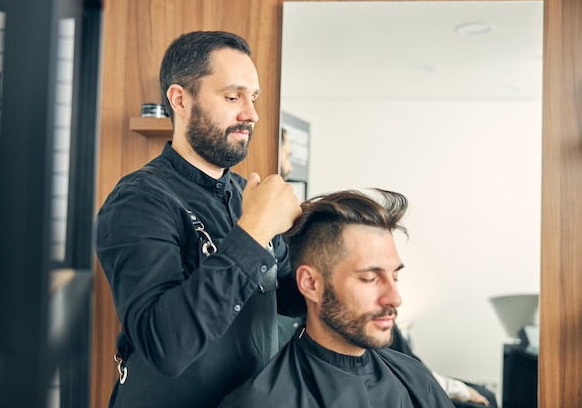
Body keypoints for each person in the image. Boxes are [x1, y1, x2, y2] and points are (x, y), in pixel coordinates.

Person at [95, 30, 305, 408]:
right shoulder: (138, 200)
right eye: (232, 96)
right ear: (180, 99)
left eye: (253, 97)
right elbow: (166, 345)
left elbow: (291, 296)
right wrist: (255, 229)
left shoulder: (248, 195)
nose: (251, 114)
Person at [219, 189, 456, 408]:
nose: (394, 299)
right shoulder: (260, 402)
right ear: (311, 283)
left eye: (394, 277)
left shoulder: (416, 379)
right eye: (370, 278)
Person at [389, 324, 496, 407]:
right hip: (415, 386)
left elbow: (413, 369)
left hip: (421, 377)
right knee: (484, 401)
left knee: (486, 394)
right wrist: (462, 391)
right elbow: (412, 378)